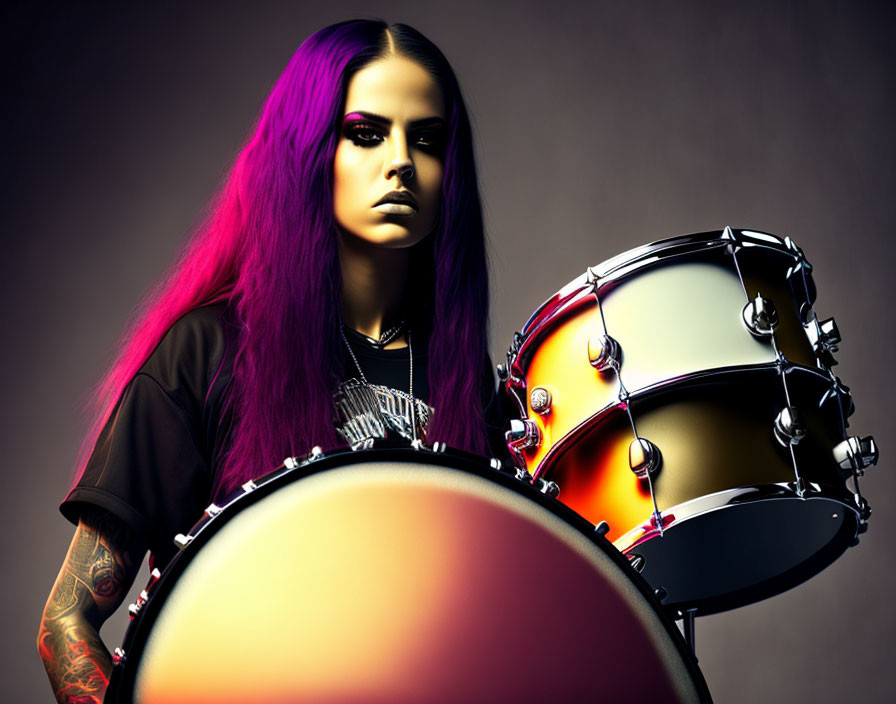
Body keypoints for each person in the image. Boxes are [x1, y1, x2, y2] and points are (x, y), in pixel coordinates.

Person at [37, 19, 507, 703]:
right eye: (366, 133)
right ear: (310, 147)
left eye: (428, 140)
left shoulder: (466, 379)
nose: (402, 160)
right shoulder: (206, 353)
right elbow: (65, 622)